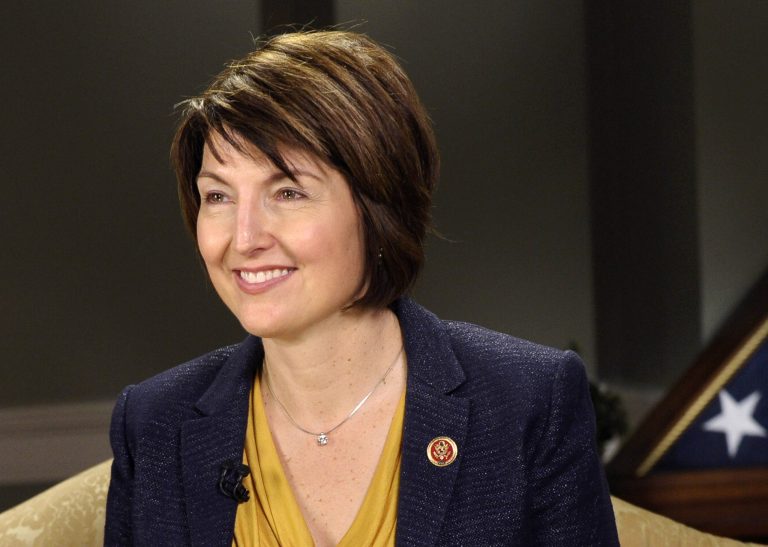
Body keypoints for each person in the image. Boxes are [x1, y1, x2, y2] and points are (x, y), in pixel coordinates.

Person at [105, 30, 619, 546]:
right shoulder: (152, 423)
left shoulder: (529, 403)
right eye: (217, 196)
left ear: (378, 209)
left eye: (287, 192)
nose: (244, 238)